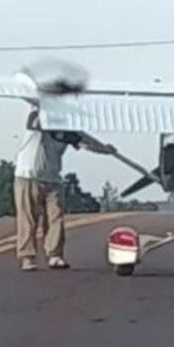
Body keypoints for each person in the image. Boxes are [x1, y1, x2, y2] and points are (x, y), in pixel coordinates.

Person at [13, 109, 114, 271]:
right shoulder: (39, 120)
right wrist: (44, 107)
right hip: (28, 176)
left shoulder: (69, 131)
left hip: (53, 178)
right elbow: (33, 122)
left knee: (56, 217)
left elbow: (86, 142)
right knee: (28, 219)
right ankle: (27, 257)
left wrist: (105, 149)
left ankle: (55, 254)